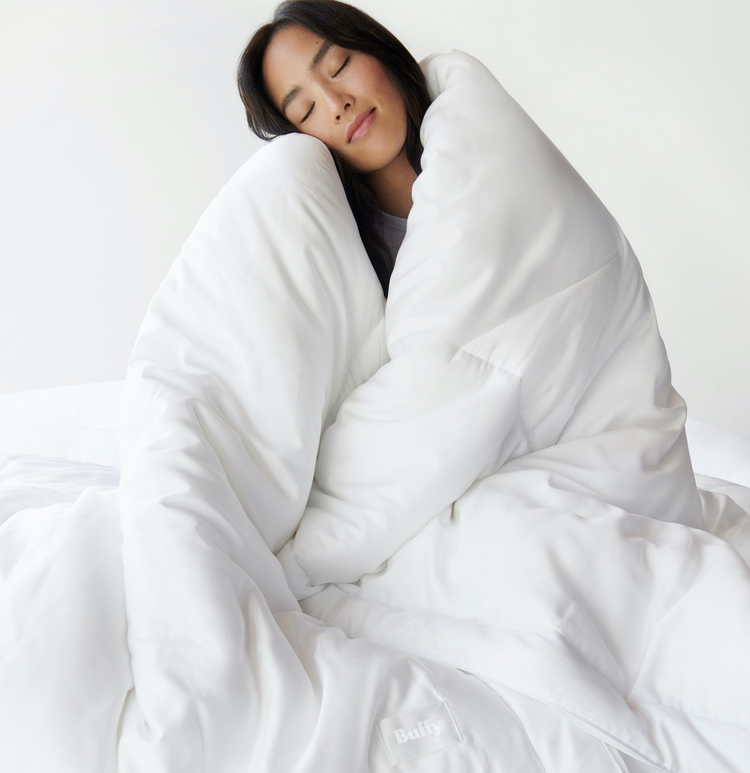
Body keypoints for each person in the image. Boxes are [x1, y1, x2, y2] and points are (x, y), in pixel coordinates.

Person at [237, 0, 431, 296]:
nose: (336, 104)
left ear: (376, 47)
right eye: (307, 110)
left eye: (339, 67)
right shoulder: (347, 274)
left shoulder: (476, 122)